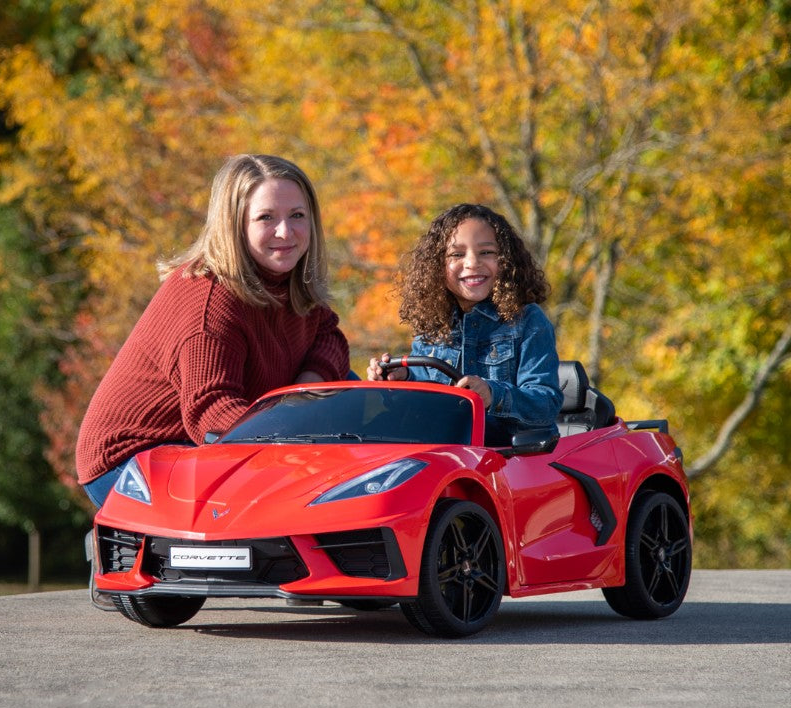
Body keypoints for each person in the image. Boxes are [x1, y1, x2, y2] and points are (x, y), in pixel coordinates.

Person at [76, 154, 350, 508]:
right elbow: (212, 409)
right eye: (266, 217)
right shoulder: (209, 299)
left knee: (342, 394)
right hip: (135, 456)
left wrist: (307, 387)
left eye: (297, 215)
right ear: (234, 224)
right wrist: (298, 434)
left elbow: (329, 336)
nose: (286, 231)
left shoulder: (288, 281)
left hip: (201, 448)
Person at [367, 203, 562, 440]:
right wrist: (403, 379)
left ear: (507, 261)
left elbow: (546, 404)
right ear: (436, 266)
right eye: (457, 255)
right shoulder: (433, 325)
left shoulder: (528, 321)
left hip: (513, 460)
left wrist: (493, 395)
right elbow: (426, 399)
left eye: (486, 252)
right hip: (449, 457)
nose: (472, 263)